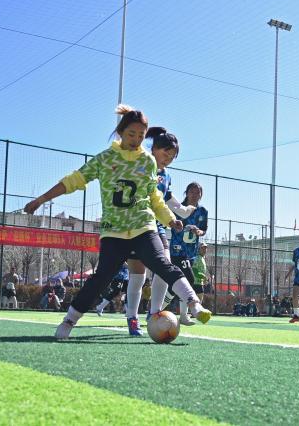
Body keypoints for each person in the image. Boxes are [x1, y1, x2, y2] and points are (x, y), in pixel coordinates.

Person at [24, 105, 211, 340]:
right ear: (121, 132)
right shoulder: (105, 159)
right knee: (102, 277)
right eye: (131, 134)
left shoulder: (148, 161)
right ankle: (69, 320)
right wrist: (41, 199)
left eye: (141, 136)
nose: (136, 140)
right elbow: (74, 180)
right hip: (114, 231)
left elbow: (154, 197)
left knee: (162, 264)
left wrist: (170, 219)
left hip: (143, 227)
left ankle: (193, 303)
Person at [113, 125, 195, 334]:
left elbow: (167, 199)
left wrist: (183, 211)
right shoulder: (140, 165)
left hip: (157, 226)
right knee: (138, 276)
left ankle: (154, 313)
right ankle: (132, 317)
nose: (168, 159)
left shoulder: (166, 176)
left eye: (173, 156)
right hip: (135, 225)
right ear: (154, 149)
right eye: (166, 153)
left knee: (164, 267)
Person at [161, 181, 209, 325]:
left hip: (191, 252)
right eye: (192, 192)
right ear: (186, 193)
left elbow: (203, 230)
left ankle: (157, 310)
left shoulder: (203, 211)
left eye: (197, 192)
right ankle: (183, 315)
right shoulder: (178, 208)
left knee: (177, 285)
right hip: (177, 250)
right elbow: (168, 222)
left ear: (201, 195)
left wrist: (198, 231)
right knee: (188, 279)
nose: (195, 194)